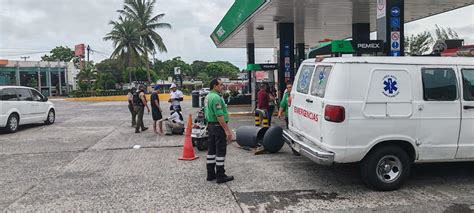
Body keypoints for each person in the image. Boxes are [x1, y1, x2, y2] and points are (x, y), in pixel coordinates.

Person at [204, 78, 234, 184]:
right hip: (218, 127)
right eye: (221, 85)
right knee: (220, 151)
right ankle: (220, 176)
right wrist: (227, 130)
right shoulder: (216, 98)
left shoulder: (208, 96)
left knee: (211, 151)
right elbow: (219, 116)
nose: (223, 86)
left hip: (211, 126)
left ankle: (210, 174)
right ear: (215, 86)